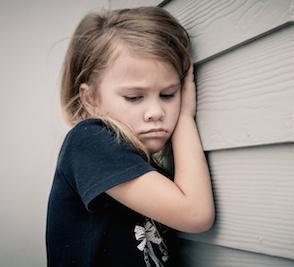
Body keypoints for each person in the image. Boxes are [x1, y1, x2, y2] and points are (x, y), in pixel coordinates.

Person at [46, 6, 215, 266]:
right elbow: (196, 214)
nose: (156, 112)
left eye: (169, 94)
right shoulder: (89, 141)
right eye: (134, 97)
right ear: (90, 98)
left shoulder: (142, 163)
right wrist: (183, 118)